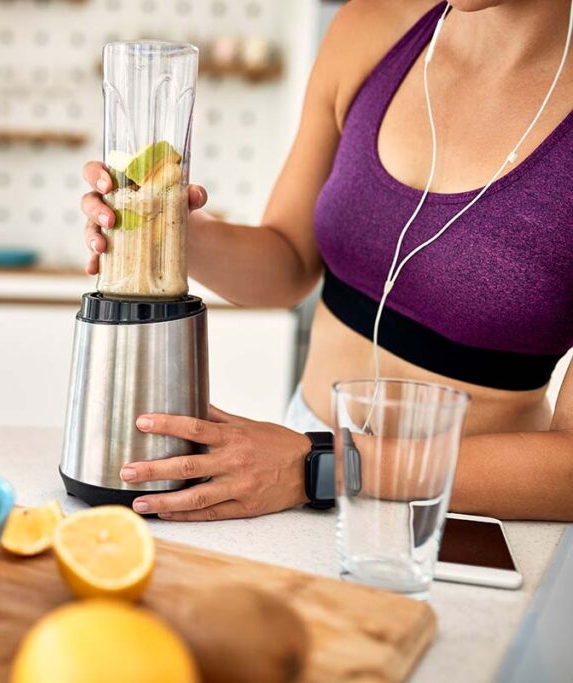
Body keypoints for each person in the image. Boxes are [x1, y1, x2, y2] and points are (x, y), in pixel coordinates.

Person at [78, 0, 573, 522]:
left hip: (465, 506)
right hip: (296, 469)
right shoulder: (371, 30)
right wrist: (167, 229)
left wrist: (323, 466)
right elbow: (288, 266)